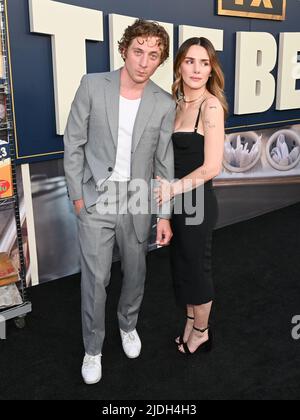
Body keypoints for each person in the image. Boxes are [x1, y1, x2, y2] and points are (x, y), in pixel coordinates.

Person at [64, 19, 175, 384]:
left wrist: (164, 215)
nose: (144, 61)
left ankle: (128, 325)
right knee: (95, 280)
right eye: (139, 51)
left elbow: (163, 162)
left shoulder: (163, 102)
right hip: (97, 200)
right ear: (124, 49)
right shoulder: (93, 85)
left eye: (153, 55)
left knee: (136, 272)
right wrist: (79, 198)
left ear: (160, 61)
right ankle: (92, 349)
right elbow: (74, 144)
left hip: (139, 200)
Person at [155, 37, 227, 355]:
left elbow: (212, 166)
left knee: (197, 269)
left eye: (204, 62)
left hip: (198, 202)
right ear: (179, 65)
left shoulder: (210, 106)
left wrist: (172, 190)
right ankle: (189, 323)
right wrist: (167, 213)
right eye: (189, 61)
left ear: (211, 69)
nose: (196, 69)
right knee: (182, 267)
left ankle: (201, 333)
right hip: (179, 203)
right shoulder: (177, 103)